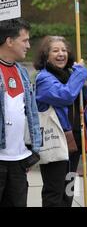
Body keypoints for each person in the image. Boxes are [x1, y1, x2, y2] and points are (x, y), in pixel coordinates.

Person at [33, 36, 87, 207]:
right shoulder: (43, 79)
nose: (61, 54)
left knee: (69, 189)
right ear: (46, 56)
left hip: (75, 141)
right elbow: (65, 96)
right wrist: (80, 74)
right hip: (56, 141)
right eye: (55, 50)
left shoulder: (72, 75)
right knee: (54, 191)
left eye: (64, 50)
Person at [0, 18, 42, 207]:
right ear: (9, 41)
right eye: (24, 40)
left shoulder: (22, 72)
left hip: (19, 160)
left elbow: (30, 113)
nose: (28, 45)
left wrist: (32, 150)